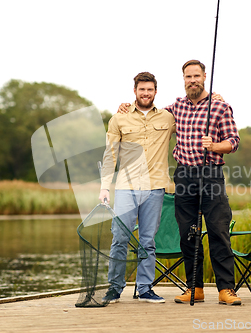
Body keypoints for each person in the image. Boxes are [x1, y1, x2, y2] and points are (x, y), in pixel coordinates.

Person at [118, 60, 241, 305]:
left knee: (218, 231)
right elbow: (148, 115)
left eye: (196, 75)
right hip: (184, 176)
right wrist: (128, 107)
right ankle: (194, 288)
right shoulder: (175, 108)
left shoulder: (219, 107)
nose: (192, 80)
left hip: (211, 174)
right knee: (187, 234)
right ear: (183, 79)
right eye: (188, 76)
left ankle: (226, 289)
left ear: (205, 76)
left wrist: (215, 146)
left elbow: (233, 141)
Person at [99, 72, 175, 304]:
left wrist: (217, 97)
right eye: (141, 89)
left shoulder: (168, 118)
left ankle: (145, 289)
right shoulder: (118, 119)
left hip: (155, 188)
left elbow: (193, 114)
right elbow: (110, 155)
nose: (145, 93)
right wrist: (105, 187)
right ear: (135, 91)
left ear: (155, 92)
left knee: (148, 241)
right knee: (120, 237)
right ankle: (114, 287)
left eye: (149, 89)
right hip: (125, 187)